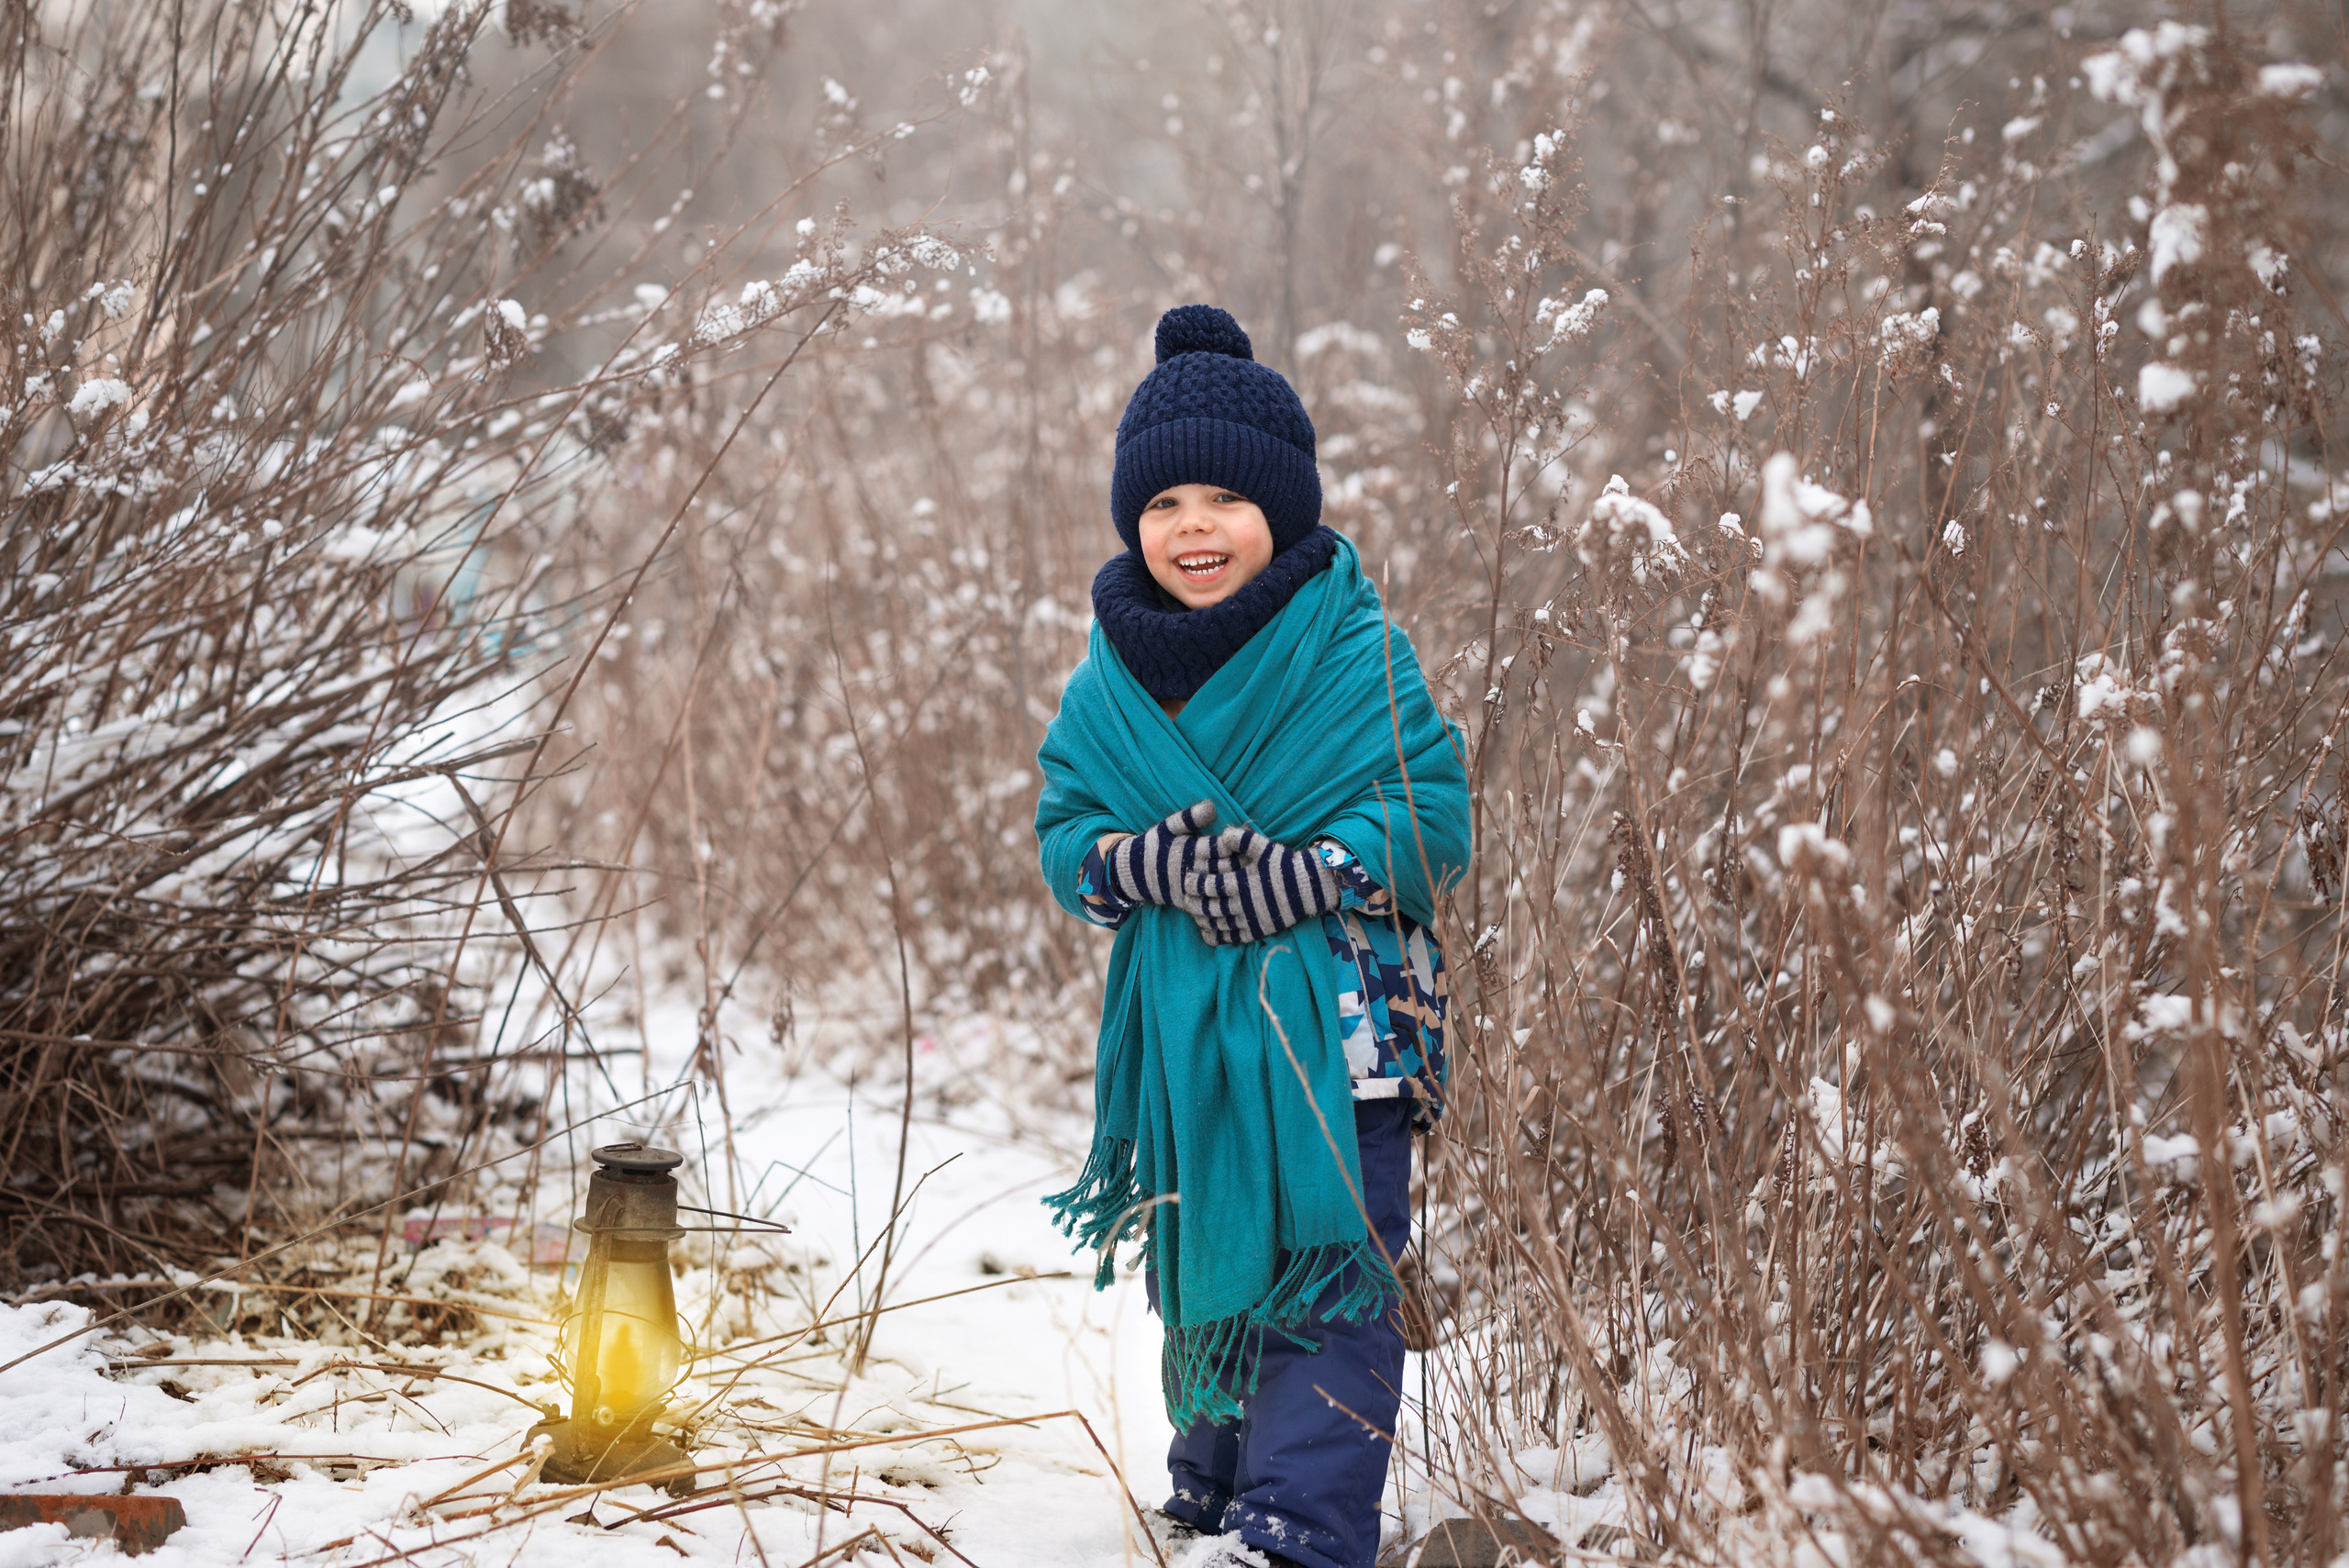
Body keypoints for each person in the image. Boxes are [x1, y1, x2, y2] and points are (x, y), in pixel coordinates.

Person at [1033, 304, 1472, 1568]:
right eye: (1164, 502)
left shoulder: (1351, 645)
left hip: (1344, 1025)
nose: (1193, 526)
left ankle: (1301, 1524)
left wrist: (1314, 871)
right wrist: (1135, 861)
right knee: (1204, 1244)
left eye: (1224, 497)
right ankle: (1215, 1484)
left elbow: (1431, 816)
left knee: (1329, 1276)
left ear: (1282, 508)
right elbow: (1071, 828)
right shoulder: (1113, 672)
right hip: (1190, 1035)